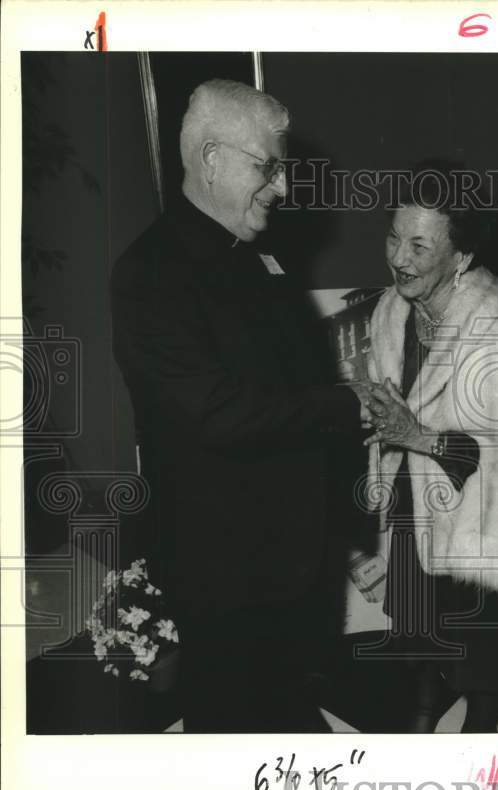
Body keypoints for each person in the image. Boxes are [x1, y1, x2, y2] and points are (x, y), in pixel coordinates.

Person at [110, 79, 368, 733]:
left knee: (283, 715)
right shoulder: (150, 273)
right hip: (224, 576)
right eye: (267, 167)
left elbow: (293, 381)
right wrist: (343, 405)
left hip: (291, 564)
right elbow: (216, 413)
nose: (281, 188)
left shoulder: (259, 259)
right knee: (231, 731)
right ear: (212, 158)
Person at [362, 169, 498, 733]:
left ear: (462, 257)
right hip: (417, 505)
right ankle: (422, 716)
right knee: (420, 626)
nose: (399, 257)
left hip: (479, 516)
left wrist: (413, 435)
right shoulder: (391, 312)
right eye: (395, 237)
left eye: (420, 244)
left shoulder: (497, 337)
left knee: (482, 648)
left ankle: (479, 735)